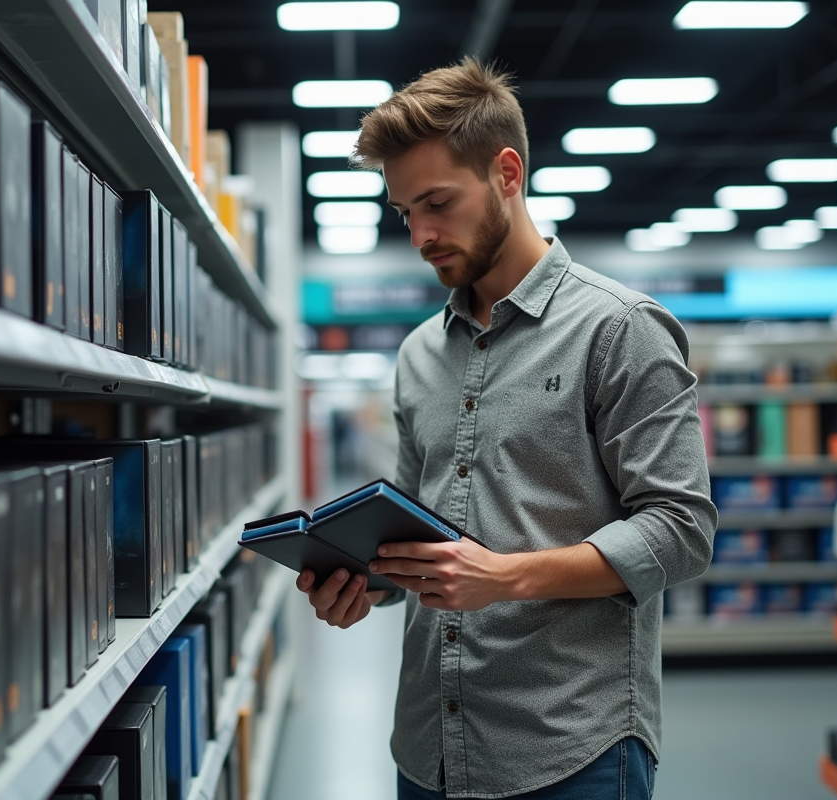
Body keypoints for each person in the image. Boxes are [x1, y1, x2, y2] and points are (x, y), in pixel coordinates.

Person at [296, 57, 717, 800]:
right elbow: (415, 531)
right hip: (429, 749)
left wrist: (504, 576)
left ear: (507, 173)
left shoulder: (620, 330)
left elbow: (681, 530)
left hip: (569, 748)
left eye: (438, 203)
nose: (421, 234)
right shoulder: (419, 353)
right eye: (405, 213)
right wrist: (365, 578)